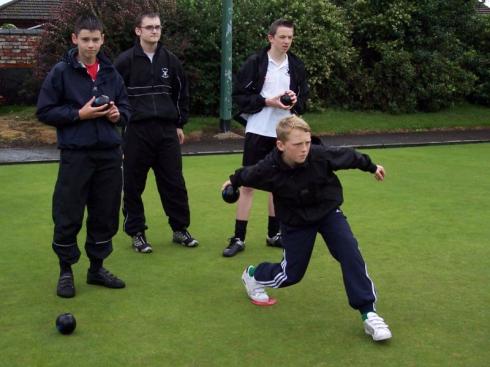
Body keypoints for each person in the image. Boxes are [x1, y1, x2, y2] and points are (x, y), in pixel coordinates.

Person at [222, 116, 392, 342]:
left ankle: (369, 313)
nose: (304, 149)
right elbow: (247, 174)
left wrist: (372, 166)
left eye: (307, 142)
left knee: (350, 252)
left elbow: (349, 157)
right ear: (281, 145)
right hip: (296, 221)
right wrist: (232, 182)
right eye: (297, 144)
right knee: (290, 275)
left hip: (327, 212)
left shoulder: (318, 155)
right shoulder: (269, 168)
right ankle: (253, 275)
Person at [36, 15, 130, 298]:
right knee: (68, 213)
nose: (91, 45)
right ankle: (66, 271)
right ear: (75, 39)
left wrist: (117, 115)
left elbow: (126, 108)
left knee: (105, 213)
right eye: (85, 39)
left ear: (103, 40)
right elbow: (45, 111)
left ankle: (96, 268)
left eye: (96, 40)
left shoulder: (111, 73)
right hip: (76, 156)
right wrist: (79, 114)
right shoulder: (61, 72)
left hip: (109, 156)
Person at [223, 18, 309, 257]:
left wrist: (293, 100)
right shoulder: (255, 63)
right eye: (282, 37)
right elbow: (240, 97)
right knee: (249, 184)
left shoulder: (297, 66)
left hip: (284, 133)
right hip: (258, 131)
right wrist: (266, 101)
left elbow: (303, 101)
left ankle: (274, 234)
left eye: (290, 37)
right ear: (270, 38)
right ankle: (238, 238)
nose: (286, 42)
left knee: (278, 186)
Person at [114, 12, 198, 253]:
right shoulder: (125, 61)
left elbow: (182, 94)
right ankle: (137, 233)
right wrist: (121, 128)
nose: (154, 31)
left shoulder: (171, 61)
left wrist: (179, 124)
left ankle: (180, 229)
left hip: (166, 131)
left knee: (174, 183)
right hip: (137, 131)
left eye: (158, 27)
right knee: (132, 184)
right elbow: (114, 97)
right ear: (138, 31)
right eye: (149, 27)